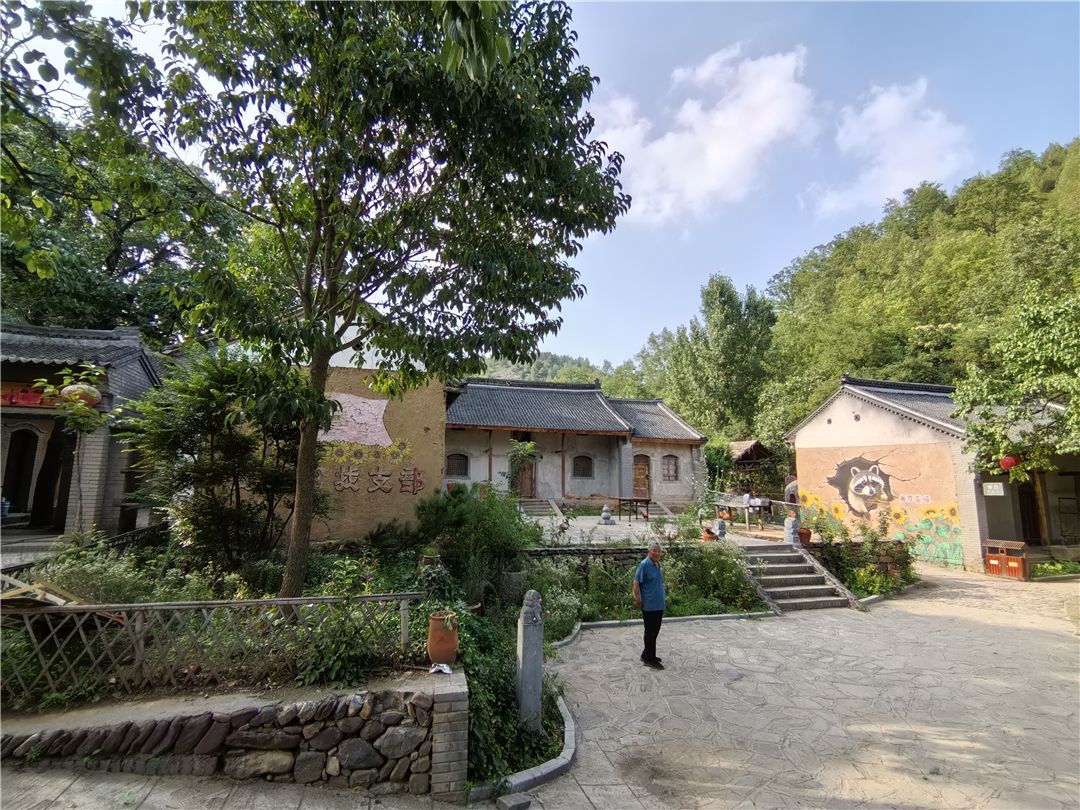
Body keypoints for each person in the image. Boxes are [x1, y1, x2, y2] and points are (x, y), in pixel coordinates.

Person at [633, 539, 666, 670]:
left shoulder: (657, 564)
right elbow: (636, 583)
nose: (657, 553)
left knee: (655, 630)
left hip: (659, 604)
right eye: (654, 551)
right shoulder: (644, 565)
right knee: (650, 632)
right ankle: (649, 659)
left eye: (658, 551)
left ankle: (647, 654)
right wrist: (637, 599)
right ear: (648, 552)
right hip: (650, 604)